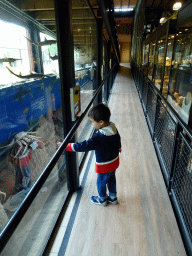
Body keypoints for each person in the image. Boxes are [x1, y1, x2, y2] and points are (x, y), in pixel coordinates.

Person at [65, 103, 121, 206]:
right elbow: (118, 139)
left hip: (104, 165)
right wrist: (119, 148)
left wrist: (68, 146)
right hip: (114, 161)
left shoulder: (99, 137)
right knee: (112, 179)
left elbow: (84, 145)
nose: (91, 124)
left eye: (92, 122)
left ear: (101, 122)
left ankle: (102, 199)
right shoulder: (114, 128)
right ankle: (113, 198)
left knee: (101, 182)